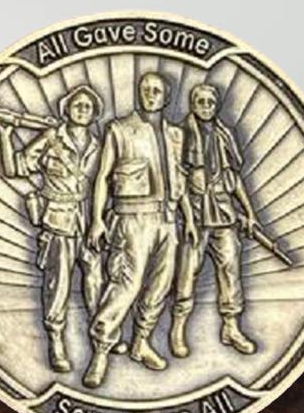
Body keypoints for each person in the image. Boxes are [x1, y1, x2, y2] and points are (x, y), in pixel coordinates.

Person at [82, 72, 198, 389]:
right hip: (132, 218)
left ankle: (141, 342)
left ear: (166, 96)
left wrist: (188, 218)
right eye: (145, 89)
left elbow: (179, 180)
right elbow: (103, 176)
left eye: (156, 90)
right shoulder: (119, 129)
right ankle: (101, 351)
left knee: (160, 286)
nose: (150, 94)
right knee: (126, 285)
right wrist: (97, 220)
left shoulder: (175, 134)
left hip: (167, 220)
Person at [0, 85, 105, 373]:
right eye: (77, 105)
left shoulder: (98, 144)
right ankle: (55, 341)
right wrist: (5, 135)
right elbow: (15, 168)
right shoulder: (50, 139)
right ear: (67, 109)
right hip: (58, 222)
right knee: (59, 285)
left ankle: (101, 337)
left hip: (88, 221)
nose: (82, 110)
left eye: (88, 107)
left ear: (94, 113)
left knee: (95, 282)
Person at [170, 83, 258, 358]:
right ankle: (177, 328)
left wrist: (250, 212)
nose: (206, 107)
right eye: (201, 102)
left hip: (223, 215)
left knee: (230, 269)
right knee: (187, 274)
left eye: (210, 102)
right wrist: (188, 218)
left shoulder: (224, 135)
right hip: (194, 218)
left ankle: (231, 327)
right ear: (192, 104)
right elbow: (178, 181)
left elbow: (234, 179)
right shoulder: (180, 135)